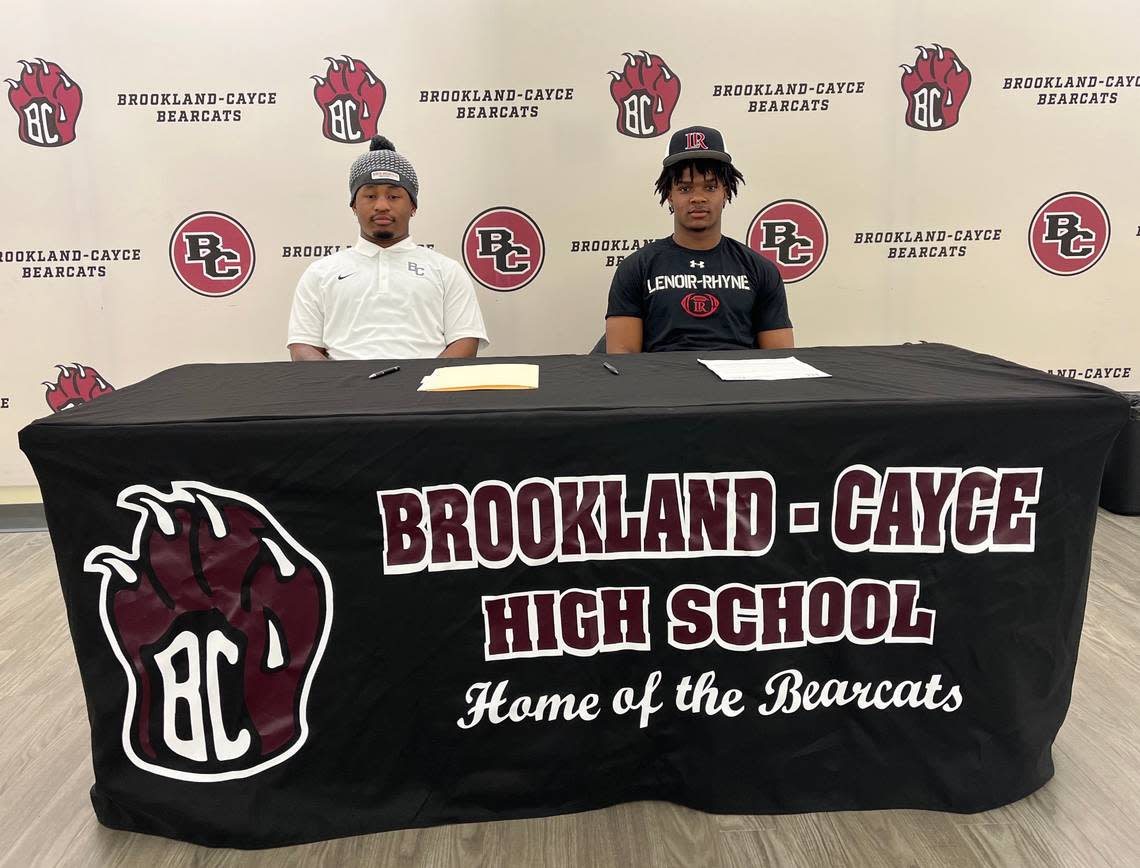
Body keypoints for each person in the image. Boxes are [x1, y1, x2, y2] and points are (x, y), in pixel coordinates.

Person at [288, 136, 489, 361]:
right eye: (370, 196)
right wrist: (342, 391)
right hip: (343, 394)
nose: (382, 205)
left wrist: (421, 387)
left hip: (427, 393)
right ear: (354, 205)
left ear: (413, 205)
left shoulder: (446, 270)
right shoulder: (321, 273)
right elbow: (303, 347)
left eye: (394, 196)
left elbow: (465, 341)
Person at [605, 125, 793, 353]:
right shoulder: (636, 268)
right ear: (669, 196)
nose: (698, 198)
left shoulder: (760, 269)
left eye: (710, 187)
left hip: (740, 386)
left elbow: (781, 362)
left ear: (726, 193)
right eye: (685, 189)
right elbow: (622, 362)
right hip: (665, 385)